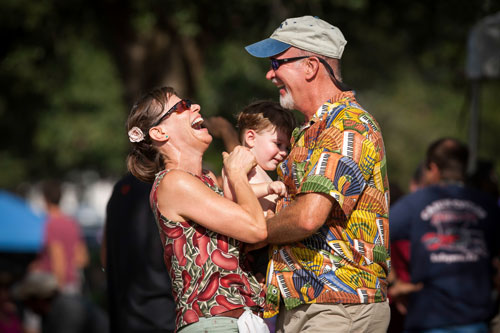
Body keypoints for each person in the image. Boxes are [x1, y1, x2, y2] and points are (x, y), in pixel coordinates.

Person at [245, 15, 391, 332]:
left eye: (277, 61)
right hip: (313, 306)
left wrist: (255, 231)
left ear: (310, 66)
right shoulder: (306, 133)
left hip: (340, 306)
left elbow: (307, 217)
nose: (270, 73)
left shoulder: (348, 124)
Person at [125, 86, 269, 333]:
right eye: (182, 107)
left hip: (237, 322)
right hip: (215, 325)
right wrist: (236, 173)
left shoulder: (207, 179)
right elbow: (255, 229)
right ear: (159, 132)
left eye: (190, 102)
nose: (195, 107)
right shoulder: (174, 182)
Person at [389, 138, 500, 332]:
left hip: (429, 318)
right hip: (475, 320)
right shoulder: (488, 205)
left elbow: (376, 235)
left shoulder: (414, 204)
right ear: (464, 167)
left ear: (433, 168)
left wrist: (396, 283)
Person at [102, 172, 176, 333]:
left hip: (125, 312)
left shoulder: (119, 188)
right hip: (164, 313)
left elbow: (104, 253)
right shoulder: (167, 185)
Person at [31, 179, 89, 295]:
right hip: (73, 284)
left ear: (45, 198)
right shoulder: (72, 223)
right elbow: (82, 259)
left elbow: (57, 256)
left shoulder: (48, 224)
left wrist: (59, 286)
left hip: (55, 286)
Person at [12, 271, 108, 333]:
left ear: (38, 300)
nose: (27, 307)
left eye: (27, 302)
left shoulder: (68, 309)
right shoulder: (50, 313)